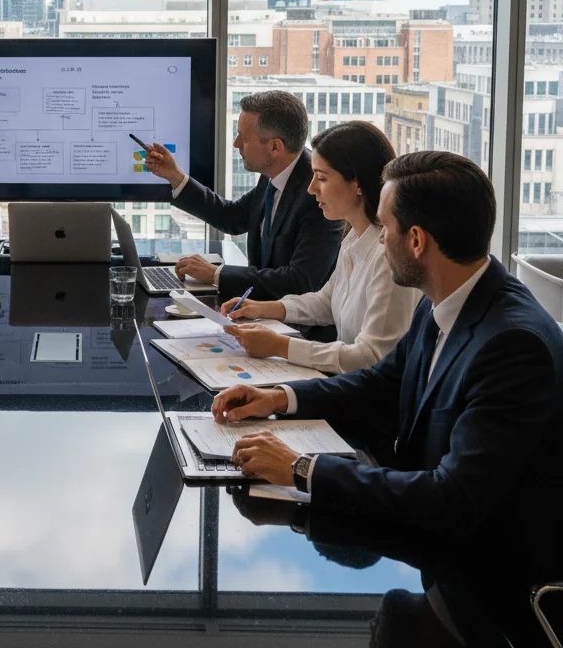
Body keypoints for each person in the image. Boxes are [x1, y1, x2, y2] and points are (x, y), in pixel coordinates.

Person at [210, 151, 563, 549]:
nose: (379, 238)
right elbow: (381, 384)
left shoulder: (514, 347)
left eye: (386, 227)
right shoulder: (444, 298)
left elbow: (453, 499)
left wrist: (301, 468)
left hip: (485, 564)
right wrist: (279, 397)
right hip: (424, 526)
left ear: (416, 240)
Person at [221, 121, 419, 374]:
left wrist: (280, 346)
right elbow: (326, 302)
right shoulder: (353, 238)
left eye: (322, 178)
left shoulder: (388, 258)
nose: (311, 188)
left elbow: (371, 356)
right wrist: (263, 308)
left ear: (357, 184)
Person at [144, 89, 342, 299]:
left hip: (294, 318)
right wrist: (175, 176)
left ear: (275, 147)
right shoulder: (275, 172)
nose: (236, 143)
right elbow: (232, 217)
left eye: (244, 138)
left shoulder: (317, 193)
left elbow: (300, 281)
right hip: (259, 308)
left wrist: (217, 274)